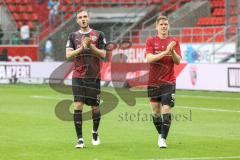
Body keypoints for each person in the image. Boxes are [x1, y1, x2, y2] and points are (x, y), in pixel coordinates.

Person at [65, 9, 106, 149]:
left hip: (93, 77)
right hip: (78, 76)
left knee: (95, 107)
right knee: (78, 105)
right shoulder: (72, 36)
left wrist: (92, 47)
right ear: (77, 20)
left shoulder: (99, 35)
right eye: (80, 17)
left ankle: (95, 131)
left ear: (89, 18)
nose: (83, 19)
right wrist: (81, 48)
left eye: (85, 16)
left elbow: (103, 54)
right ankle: (80, 139)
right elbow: (68, 55)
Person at [145, 15, 181, 148]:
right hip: (154, 82)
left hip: (169, 81)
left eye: (166, 24)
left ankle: (163, 139)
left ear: (168, 26)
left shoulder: (174, 41)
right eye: (161, 24)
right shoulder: (150, 41)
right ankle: (161, 134)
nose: (164, 26)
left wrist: (171, 51)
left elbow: (177, 61)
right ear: (156, 26)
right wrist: (165, 51)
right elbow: (149, 59)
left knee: (166, 109)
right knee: (155, 112)